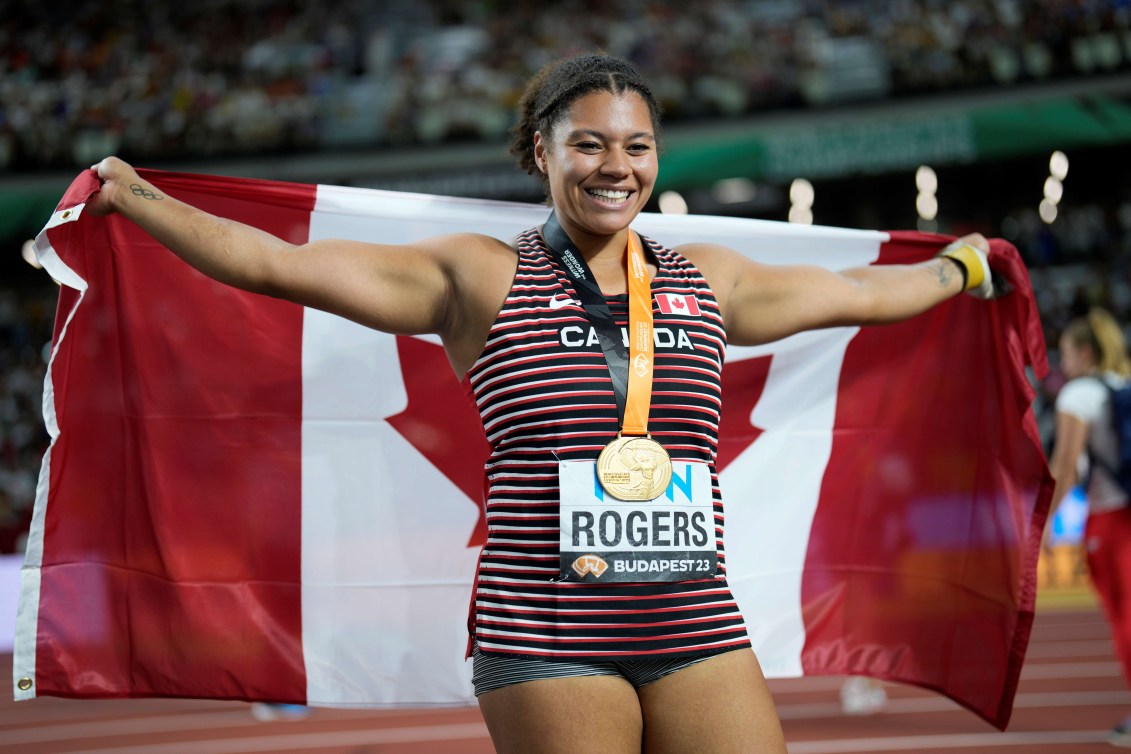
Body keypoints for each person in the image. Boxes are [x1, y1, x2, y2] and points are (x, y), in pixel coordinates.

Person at [87, 53, 998, 754]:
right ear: (542, 152)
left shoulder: (707, 282)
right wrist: (134, 196)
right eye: (588, 144)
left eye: (635, 146)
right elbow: (278, 268)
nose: (615, 166)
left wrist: (958, 267)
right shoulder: (477, 276)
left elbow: (864, 296)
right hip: (546, 627)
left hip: (695, 623)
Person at [1046, 308, 1131, 748]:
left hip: (1113, 520)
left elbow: (1066, 468)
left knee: (1125, 620)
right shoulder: (1122, 384)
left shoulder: (1077, 394)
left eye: (1064, 355)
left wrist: (1044, 523)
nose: (1062, 366)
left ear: (1083, 352)